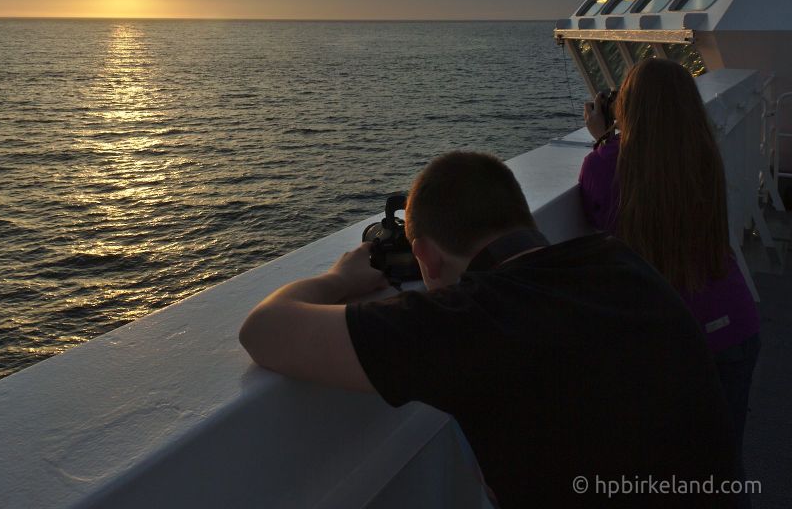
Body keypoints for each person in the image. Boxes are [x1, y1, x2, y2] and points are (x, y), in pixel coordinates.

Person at [241, 151, 737, 508]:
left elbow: (263, 329)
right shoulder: (622, 263)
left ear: (426, 257)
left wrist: (339, 279)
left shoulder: (473, 320)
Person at [580, 58, 760, 489]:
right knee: (724, 470)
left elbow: (599, 215)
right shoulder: (704, 154)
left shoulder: (607, 163)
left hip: (671, 339)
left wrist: (603, 137)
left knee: (666, 477)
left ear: (627, 108)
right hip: (736, 326)